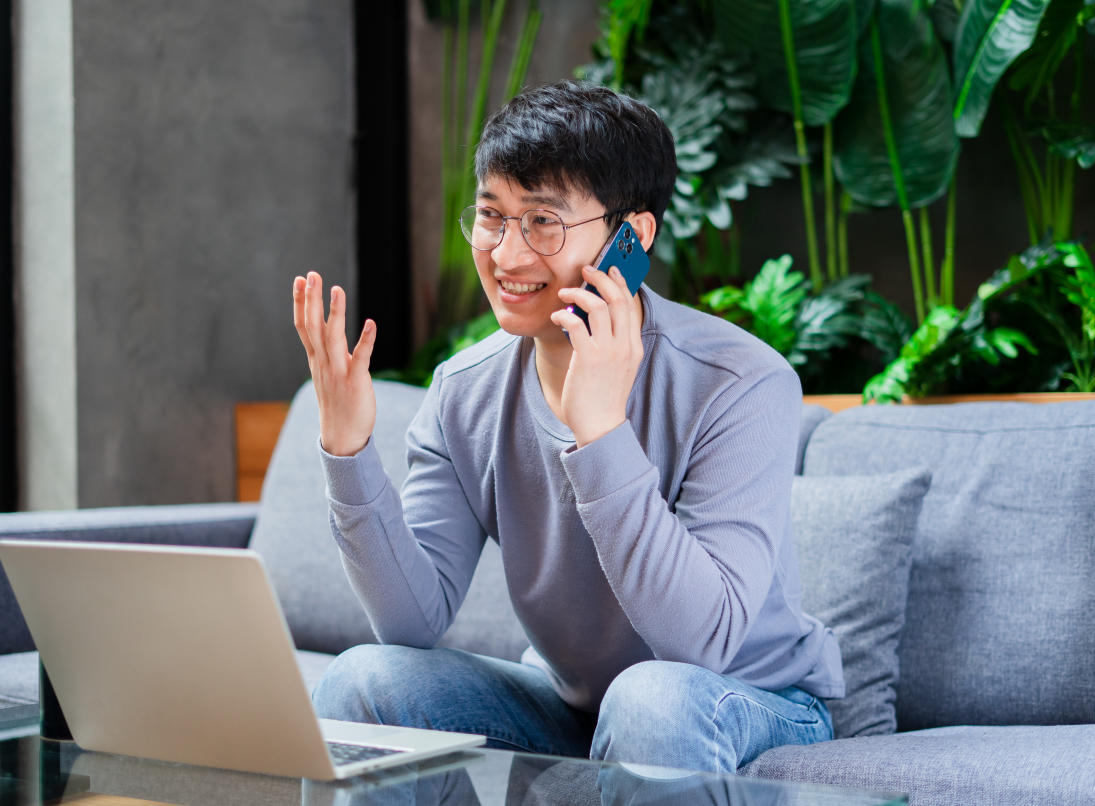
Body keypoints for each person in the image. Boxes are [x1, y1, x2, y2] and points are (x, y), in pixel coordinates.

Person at [291, 80, 842, 774]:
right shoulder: (466, 391)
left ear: (631, 237)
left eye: (543, 222)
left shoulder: (738, 383)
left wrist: (602, 433)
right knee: (362, 680)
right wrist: (348, 449)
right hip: (575, 706)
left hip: (753, 697)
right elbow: (410, 623)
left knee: (650, 700)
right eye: (492, 217)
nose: (507, 255)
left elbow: (702, 643)